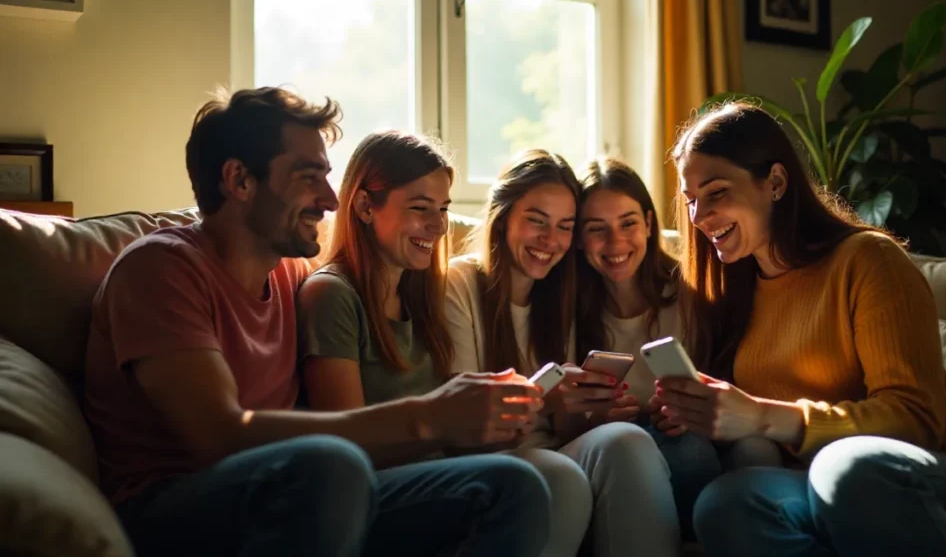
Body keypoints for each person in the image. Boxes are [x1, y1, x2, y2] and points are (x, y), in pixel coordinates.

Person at [83, 87, 552, 557]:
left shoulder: (291, 275)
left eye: (327, 177)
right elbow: (219, 436)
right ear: (239, 180)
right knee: (331, 465)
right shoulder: (160, 270)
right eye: (309, 177)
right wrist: (430, 417)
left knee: (513, 485)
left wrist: (468, 422)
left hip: (307, 489)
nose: (330, 199)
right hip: (173, 506)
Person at [660, 101, 946, 556]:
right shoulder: (734, 292)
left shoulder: (868, 260)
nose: (697, 217)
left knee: (848, 464)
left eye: (715, 193)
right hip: (827, 490)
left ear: (775, 183)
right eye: (691, 199)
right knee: (727, 504)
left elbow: (916, 420)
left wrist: (762, 415)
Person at [296, 130, 582, 557]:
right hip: (370, 488)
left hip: (437, 469)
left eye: (444, 209)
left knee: (548, 474)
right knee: (517, 483)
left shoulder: (423, 292)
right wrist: (446, 421)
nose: (438, 225)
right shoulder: (332, 294)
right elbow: (347, 449)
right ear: (363, 207)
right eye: (420, 209)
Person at [446, 149, 684, 557]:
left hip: (555, 449)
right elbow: (463, 422)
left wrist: (594, 412)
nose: (550, 241)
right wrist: (542, 401)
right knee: (562, 474)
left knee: (625, 439)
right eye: (536, 221)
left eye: (564, 227)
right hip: (490, 455)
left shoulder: (561, 296)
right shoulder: (459, 284)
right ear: (503, 218)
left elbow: (568, 429)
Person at [575, 157, 779, 539]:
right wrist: (599, 416)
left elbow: (723, 385)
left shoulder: (689, 293)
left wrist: (691, 407)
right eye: (597, 229)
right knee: (685, 447)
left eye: (628, 223)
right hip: (627, 447)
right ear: (579, 238)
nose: (616, 242)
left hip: (698, 433)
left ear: (649, 225)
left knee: (754, 449)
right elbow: (570, 420)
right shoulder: (572, 311)